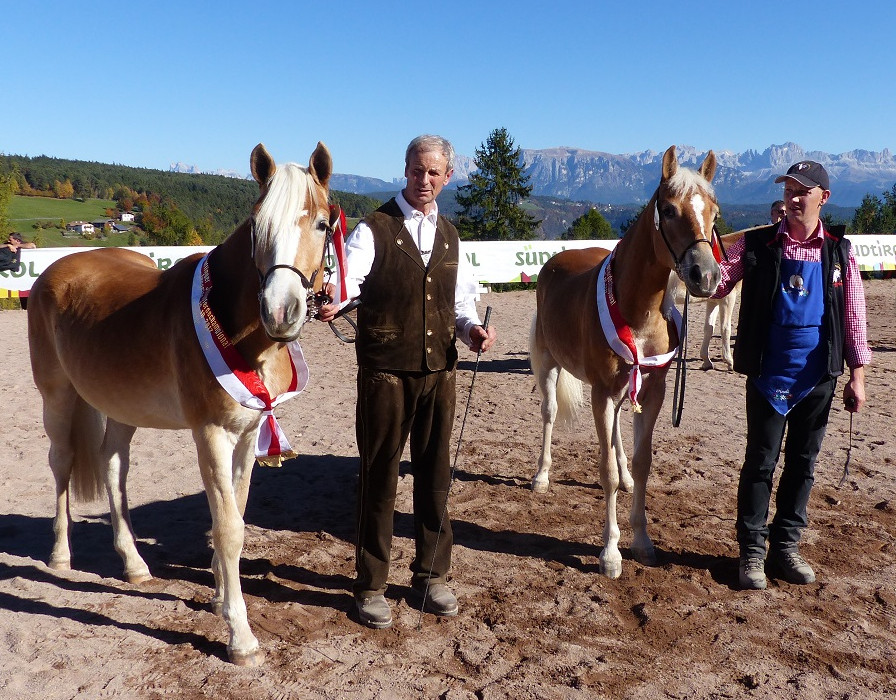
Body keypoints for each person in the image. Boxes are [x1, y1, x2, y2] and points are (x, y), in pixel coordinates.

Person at [318, 134, 496, 628]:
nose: (424, 180)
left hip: (439, 374)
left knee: (436, 477)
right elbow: (345, 285)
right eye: (417, 171)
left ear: (447, 177)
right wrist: (334, 300)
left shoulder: (452, 236)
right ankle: (370, 584)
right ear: (406, 169)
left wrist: (473, 330)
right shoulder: (373, 229)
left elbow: (459, 307)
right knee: (379, 479)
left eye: (434, 173)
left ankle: (431, 577)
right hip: (385, 375)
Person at [712, 160, 870, 591]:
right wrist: (698, 257)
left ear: (824, 197)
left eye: (803, 190)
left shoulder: (839, 251)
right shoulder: (756, 245)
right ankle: (752, 553)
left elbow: (854, 316)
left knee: (803, 465)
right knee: (760, 463)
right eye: (788, 190)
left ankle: (785, 548)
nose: (794, 197)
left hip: (818, 378)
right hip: (767, 375)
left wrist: (857, 376)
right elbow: (716, 282)